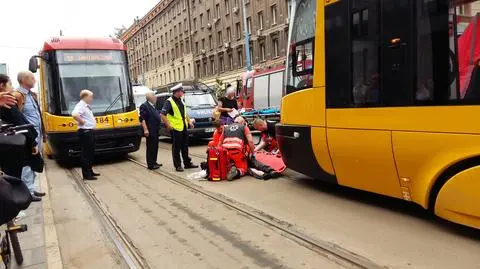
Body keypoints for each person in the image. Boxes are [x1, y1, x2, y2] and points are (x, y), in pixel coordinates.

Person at [13, 71, 45, 201]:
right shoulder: (17, 96)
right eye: (32, 78)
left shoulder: (31, 95)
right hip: (27, 136)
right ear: (24, 79)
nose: (35, 80)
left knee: (34, 162)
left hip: (36, 134)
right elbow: (15, 117)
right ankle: (27, 193)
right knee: (27, 164)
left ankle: (31, 189)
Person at [0, 74, 39, 179]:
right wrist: (33, 141)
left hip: (16, 140)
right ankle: (26, 192)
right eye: (10, 83)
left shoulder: (7, 101)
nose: (12, 87)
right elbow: (20, 121)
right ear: (1, 85)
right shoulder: (8, 102)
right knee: (21, 170)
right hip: (15, 142)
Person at [160, 83, 198, 172]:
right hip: (176, 129)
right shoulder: (169, 102)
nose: (183, 92)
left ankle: (187, 163)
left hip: (183, 127)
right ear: (177, 92)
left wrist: (189, 122)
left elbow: (184, 113)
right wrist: (168, 125)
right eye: (181, 91)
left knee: (185, 147)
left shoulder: (181, 100)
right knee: (176, 148)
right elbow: (162, 114)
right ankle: (178, 165)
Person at [72, 89, 100, 180]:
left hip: (89, 132)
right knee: (86, 154)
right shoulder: (81, 105)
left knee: (90, 153)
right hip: (85, 132)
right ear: (85, 97)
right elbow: (75, 115)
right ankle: (87, 174)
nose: (92, 98)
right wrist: (82, 121)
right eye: (91, 97)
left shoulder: (86, 106)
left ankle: (90, 171)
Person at [218, 116, 255, 181]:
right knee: (243, 169)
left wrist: (218, 153)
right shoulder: (244, 127)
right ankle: (237, 172)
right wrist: (253, 152)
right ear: (243, 122)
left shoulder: (226, 128)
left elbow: (220, 142)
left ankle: (230, 169)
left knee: (226, 166)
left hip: (225, 152)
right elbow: (250, 141)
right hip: (236, 152)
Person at [139, 91, 162, 170]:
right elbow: (142, 119)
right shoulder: (144, 106)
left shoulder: (152, 106)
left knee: (155, 147)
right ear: (150, 97)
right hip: (150, 130)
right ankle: (150, 164)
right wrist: (145, 129)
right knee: (151, 147)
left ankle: (154, 162)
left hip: (155, 130)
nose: (156, 97)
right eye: (154, 96)